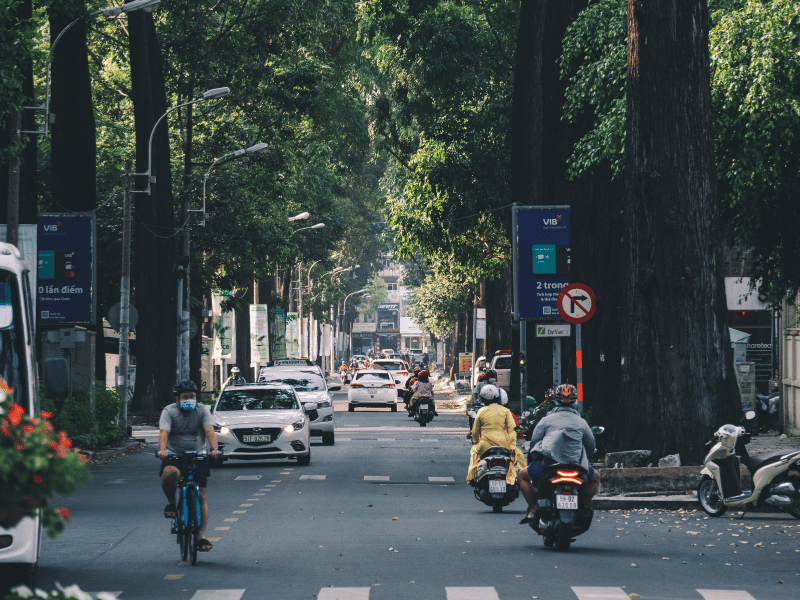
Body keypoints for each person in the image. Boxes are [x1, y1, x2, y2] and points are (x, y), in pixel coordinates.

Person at [518, 384, 600, 529]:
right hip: (577, 467)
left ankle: (532, 510)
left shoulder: (546, 420)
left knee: (522, 475)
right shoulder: (581, 422)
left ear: (555, 400)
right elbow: (591, 446)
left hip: (550, 467)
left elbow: (535, 442)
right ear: (575, 401)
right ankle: (584, 505)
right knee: (596, 477)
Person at [159, 380, 221, 552]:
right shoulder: (169, 411)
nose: (190, 400)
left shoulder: (202, 410)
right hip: (174, 454)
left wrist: (214, 449)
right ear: (177, 399)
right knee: (170, 473)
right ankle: (171, 502)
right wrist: (163, 450)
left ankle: (201, 536)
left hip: (198, 454)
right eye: (185, 397)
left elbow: (209, 431)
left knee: (201, 495)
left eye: (193, 396)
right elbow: (164, 432)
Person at [466, 384, 526, 484]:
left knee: (474, 452)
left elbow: (475, 431)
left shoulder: (481, 411)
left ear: (483, 399)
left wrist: (475, 441)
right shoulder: (506, 411)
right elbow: (512, 429)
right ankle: (523, 477)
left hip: (485, 444)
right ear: (497, 398)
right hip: (504, 444)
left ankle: (473, 477)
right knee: (518, 455)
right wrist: (512, 446)